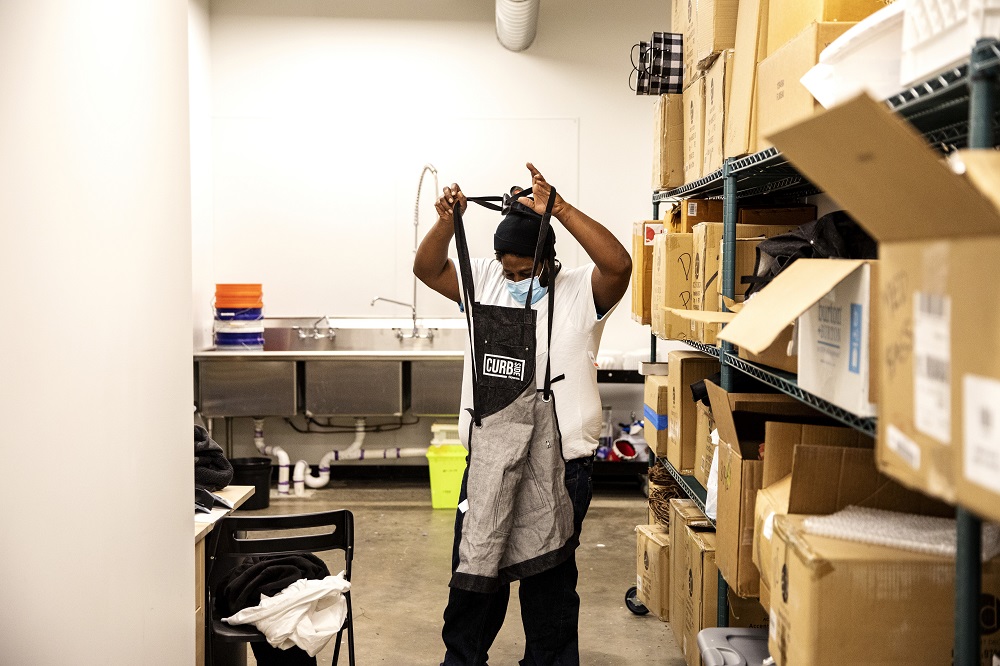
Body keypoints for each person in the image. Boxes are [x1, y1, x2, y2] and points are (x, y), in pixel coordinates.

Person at [413, 162, 631, 666]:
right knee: (474, 578)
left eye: (524, 272)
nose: (514, 280)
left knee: (548, 587)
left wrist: (561, 208)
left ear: (547, 260)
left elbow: (619, 266)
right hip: (488, 464)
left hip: (561, 469)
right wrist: (447, 221)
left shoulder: (580, 291)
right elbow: (427, 269)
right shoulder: (485, 281)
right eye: (507, 270)